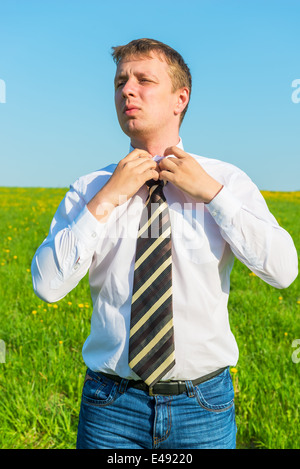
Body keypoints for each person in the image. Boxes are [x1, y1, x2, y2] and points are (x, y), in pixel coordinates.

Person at [31, 38, 298, 449]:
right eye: (120, 81)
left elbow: (283, 271)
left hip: (203, 405)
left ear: (180, 98)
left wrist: (213, 194)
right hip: (110, 407)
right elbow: (47, 286)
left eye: (143, 80)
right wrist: (106, 200)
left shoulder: (226, 179)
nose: (126, 90)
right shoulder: (90, 188)